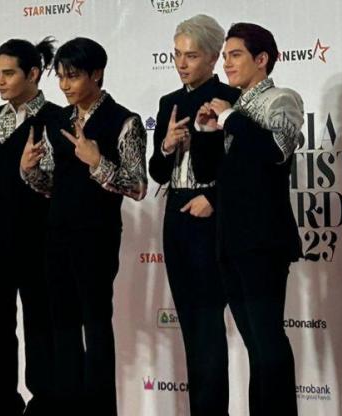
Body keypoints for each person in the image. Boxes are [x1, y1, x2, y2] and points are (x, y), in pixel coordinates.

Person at [20, 37, 147, 415]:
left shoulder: (125, 121)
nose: (64, 85)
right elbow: (49, 185)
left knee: (95, 327)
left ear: (97, 74)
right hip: (56, 235)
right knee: (62, 327)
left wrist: (97, 163)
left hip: (97, 237)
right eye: (60, 77)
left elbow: (138, 186)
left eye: (73, 76)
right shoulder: (56, 120)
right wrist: (28, 170)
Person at [197, 23, 305, 415]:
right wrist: (207, 131)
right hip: (230, 239)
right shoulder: (234, 108)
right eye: (225, 56)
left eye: (235, 55)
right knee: (255, 346)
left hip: (263, 239)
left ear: (261, 59)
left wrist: (229, 119)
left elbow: (275, 149)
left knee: (268, 340)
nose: (226, 63)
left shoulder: (282, 99)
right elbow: (210, 174)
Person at [148, 14, 240, 416]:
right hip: (175, 215)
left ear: (214, 57)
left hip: (210, 216)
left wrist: (215, 199)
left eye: (191, 55)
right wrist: (166, 146)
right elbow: (156, 171)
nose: (181, 63)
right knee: (189, 322)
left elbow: (240, 168)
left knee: (208, 324)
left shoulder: (230, 98)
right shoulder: (168, 102)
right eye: (176, 54)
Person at [0, 37, 62, 416]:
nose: (0, 81)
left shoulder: (57, 119)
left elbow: (59, 186)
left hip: (39, 241)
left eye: (8, 73)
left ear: (33, 73)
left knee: (41, 328)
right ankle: (2, 406)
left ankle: (44, 405)